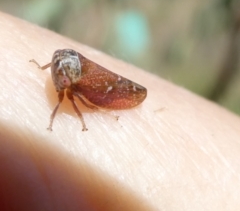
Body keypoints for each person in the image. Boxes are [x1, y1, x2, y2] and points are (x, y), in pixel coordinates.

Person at [0, 11, 239, 211]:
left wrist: (70, 120)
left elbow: (72, 100)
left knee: (83, 100)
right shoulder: (63, 66)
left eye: (61, 79)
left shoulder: (75, 82)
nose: (56, 77)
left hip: (111, 87)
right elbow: (59, 63)